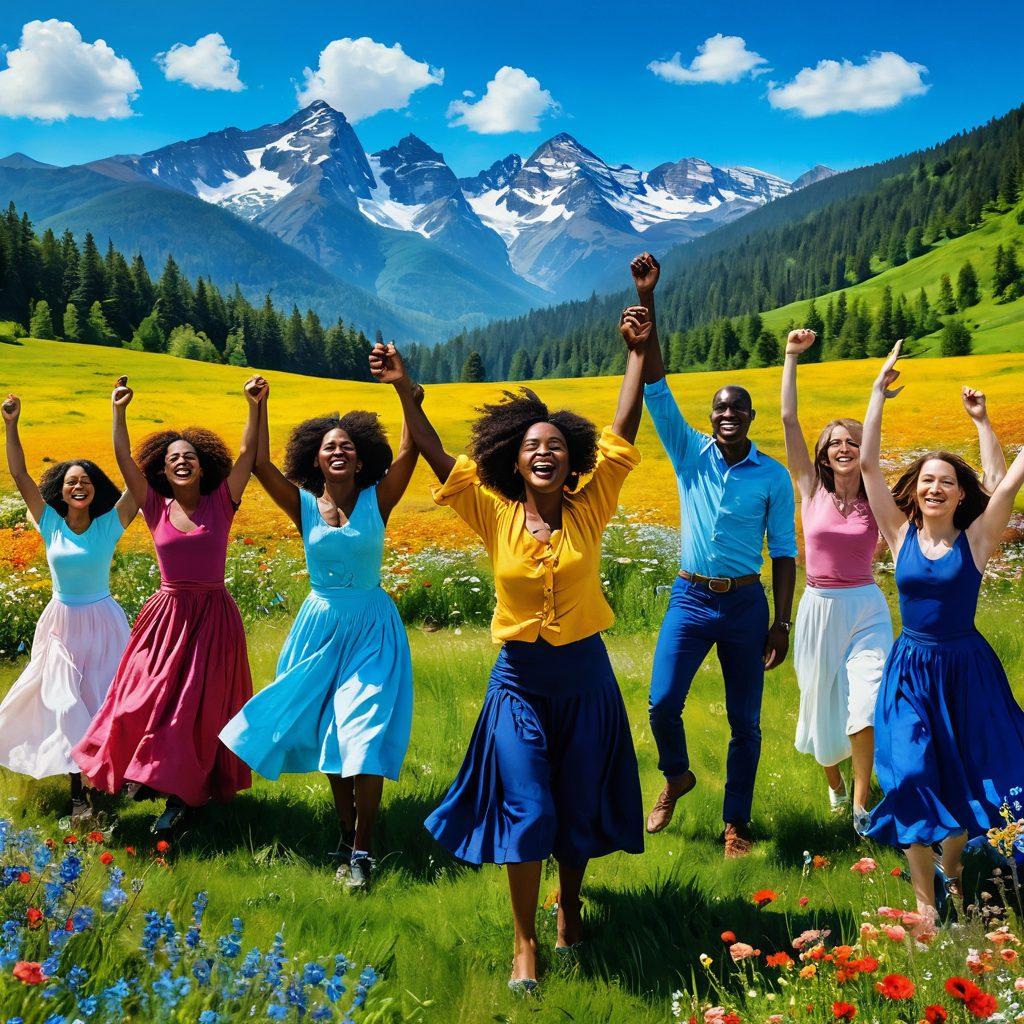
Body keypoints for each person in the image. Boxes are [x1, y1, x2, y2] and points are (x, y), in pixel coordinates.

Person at [369, 310, 649, 991]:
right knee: (529, 808)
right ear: (514, 460)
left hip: (586, 677)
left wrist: (639, 349)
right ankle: (524, 941)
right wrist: (405, 389)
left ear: (569, 457)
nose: (545, 451)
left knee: (578, 806)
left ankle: (570, 906)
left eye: (555, 444)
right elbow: (436, 451)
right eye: (532, 446)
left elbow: (622, 430)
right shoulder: (492, 511)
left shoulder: (593, 504)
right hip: (519, 682)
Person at [781, 333, 1007, 834]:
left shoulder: (889, 511)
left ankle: (863, 806)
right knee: (820, 709)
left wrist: (982, 422)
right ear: (821, 455)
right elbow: (790, 421)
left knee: (864, 703)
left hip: (865, 605)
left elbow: (989, 490)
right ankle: (836, 785)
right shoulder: (808, 488)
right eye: (833, 442)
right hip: (818, 605)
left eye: (851, 441)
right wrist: (792, 358)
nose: (842, 448)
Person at [220, 380, 420, 891]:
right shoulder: (304, 505)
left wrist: (407, 399)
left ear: (359, 460)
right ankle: (344, 827)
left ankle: (363, 849)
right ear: (316, 459)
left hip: (373, 628)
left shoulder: (380, 498)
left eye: (347, 446)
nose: (338, 451)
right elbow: (260, 462)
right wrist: (257, 407)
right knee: (330, 733)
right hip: (320, 628)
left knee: (364, 735)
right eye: (329, 446)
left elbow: (408, 450)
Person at [634, 252, 797, 857]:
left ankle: (737, 825)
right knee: (660, 703)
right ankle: (676, 775)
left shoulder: (773, 477)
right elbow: (654, 384)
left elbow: (783, 552)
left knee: (745, 724)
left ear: (751, 417)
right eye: (720, 409)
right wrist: (648, 298)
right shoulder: (688, 453)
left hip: (748, 606)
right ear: (711, 417)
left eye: (738, 408)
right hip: (690, 596)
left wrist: (781, 620)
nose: (728, 415)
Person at [861, 340, 1024, 931]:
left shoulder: (976, 542)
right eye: (927, 480)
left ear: (960, 494)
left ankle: (952, 873)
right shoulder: (899, 535)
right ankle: (927, 902)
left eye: (946, 482)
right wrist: (878, 392)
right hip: (911, 669)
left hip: (966, 670)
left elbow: (1004, 482)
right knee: (908, 775)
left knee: (959, 777)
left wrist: (984, 424)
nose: (933, 488)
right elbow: (871, 466)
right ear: (916, 491)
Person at [72, 375, 263, 834]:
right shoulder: (153, 504)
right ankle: (128, 781)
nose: (181, 462)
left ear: (202, 467)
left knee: (195, 710)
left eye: (189, 458)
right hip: (165, 619)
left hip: (213, 619)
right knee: (138, 700)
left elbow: (248, 457)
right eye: (174, 458)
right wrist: (118, 411)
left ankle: (181, 800)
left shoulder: (223, 501)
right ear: (164, 467)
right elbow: (123, 460)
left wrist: (254, 407)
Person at [0, 393, 137, 819]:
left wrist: (118, 413)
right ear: (61, 490)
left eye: (86, 482)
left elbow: (136, 483)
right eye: (71, 482)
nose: (79, 486)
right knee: (65, 703)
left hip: (103, 622)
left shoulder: (109, 524)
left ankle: (122, 776)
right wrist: (11, 424)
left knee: (105, 703)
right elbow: (20, 473)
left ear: (95, 491)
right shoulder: (50, 524)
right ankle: (78, 796)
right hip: (60, 625)